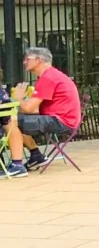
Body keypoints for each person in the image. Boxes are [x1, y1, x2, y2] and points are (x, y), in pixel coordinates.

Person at [4, 46, 81, 176]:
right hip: (63, 119)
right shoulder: (51, 75)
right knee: (16, 118)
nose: (24, 62)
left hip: (60, 121)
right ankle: (36, 156)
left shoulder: (48, 78)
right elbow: (34, 109)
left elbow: (29, 108)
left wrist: (18, 99)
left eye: (27, 59)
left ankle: (17, 166)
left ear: (39, 60)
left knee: (9, 120)